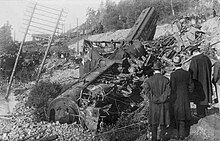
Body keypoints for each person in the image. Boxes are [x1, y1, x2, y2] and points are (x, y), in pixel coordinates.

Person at [141, 61, 170, 141]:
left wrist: (155, 99)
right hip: (163, 104)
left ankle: (154, 138)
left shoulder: (148, 81)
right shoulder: (166, 80)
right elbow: (168, 92)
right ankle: (162, 138)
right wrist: (161, 99)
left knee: (154, 123)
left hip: (153, 105)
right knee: (162, 122)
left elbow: (147, 92)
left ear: (153, 70)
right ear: (161, 69)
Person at [170, 56, 193, 140]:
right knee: (183, 115)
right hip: (185, 97)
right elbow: (191, 86)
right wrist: (188, 94)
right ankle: (182, 134)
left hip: (176, 98)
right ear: (181, 63)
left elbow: (172, 88)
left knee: (177, 115)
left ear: (174, 64)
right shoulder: (187, 73)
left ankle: (178, 134)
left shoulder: (173, 74)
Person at [189, 46, 213, 118]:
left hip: (198, 82)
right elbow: (210, 67)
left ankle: (200, 114)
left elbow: (192, 73)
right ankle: (205, 112)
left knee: (199, 99)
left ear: (194, 52)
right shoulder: (206, 58)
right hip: (206, 80)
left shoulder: (194, 59)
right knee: (205, 96)